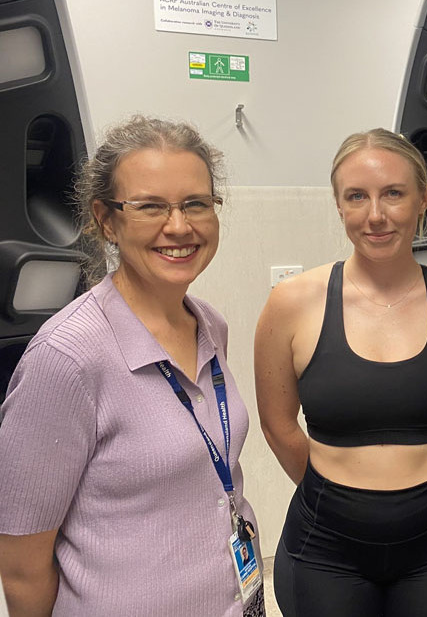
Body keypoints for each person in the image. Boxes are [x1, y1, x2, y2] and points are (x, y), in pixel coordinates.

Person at [0, 116, 263, 616]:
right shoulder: (67, 357)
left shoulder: (209, 325)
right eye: (150, 207)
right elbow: (21, 566)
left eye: (196, 204)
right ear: (105, 220)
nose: (180, 226)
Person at [256, 127, 427, 616]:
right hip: (327, 546)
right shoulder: (292, 304)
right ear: (339, 204)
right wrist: (342, 498)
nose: (376, 215)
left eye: (393, 194)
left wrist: (415, 492)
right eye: (357, 197)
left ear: (424, 198)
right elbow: (278, 424)